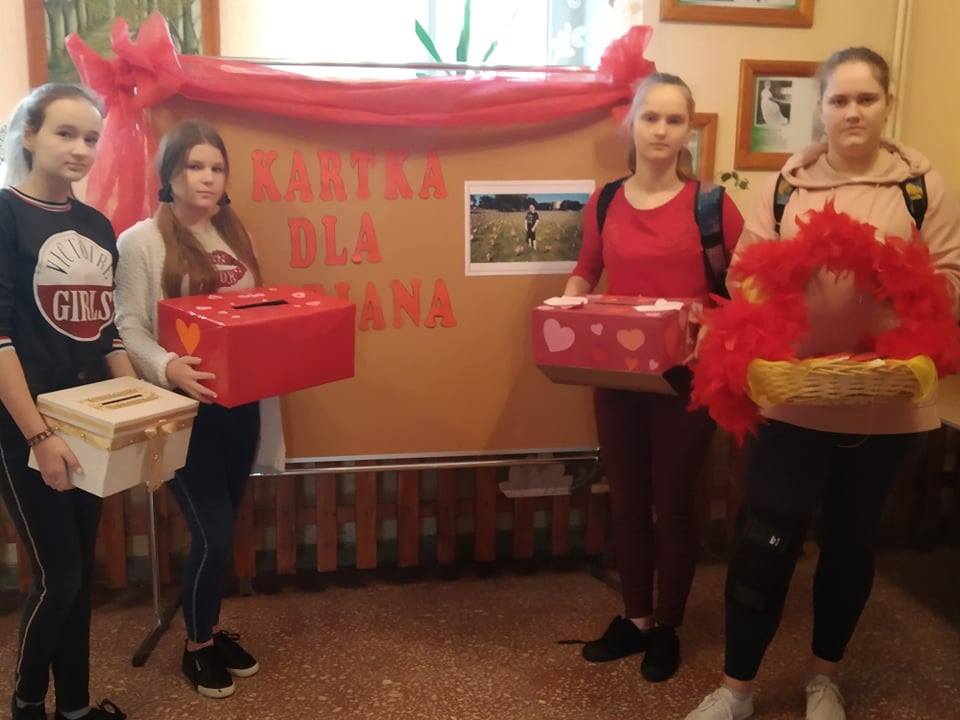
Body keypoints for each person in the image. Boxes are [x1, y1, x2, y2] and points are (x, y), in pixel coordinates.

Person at [685, 47, 960, 720]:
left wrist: (901, 289)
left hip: (886, 401)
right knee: (763, 545)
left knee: (851, 545)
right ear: (821, 109)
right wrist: (767, 298)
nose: (853, 112)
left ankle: (823, 679)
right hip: (793, 399)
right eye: (839, 100)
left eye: (866, 99)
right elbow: (744, 274)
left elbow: (952, 279)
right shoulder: (786, 185)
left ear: (887, 104)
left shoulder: (922, 187)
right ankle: (736, 690)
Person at [564, 73, 744, 682]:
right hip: (616, 377)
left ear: (689, 129)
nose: (661, 130)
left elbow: (742, 291)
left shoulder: (712, 205)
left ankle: (668, 626)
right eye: (650, 117)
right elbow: (586, 269)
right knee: (628, 501)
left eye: (674, 119)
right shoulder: (606, 201)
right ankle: (635, 617)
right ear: (632, 124)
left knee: (674, 502)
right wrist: (565, 308)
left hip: (684, 382)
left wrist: (712, 325)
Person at [114, 120, 283, 699]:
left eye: (216, 168)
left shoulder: (233, 230)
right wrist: (169, 368)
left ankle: (208, 627)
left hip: (240, 406)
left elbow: (254, 310)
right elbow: (128, 326)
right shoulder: (141, 241)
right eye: (194, 166)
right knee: (213, 534)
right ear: (169, 174)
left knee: (225, 528)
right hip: (182, 414)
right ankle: (196, 646)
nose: (207, 178)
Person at [0, 83, 134, 720]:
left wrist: (139, 411)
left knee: (80, 575)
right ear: (28, 135)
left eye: (91, 138)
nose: (81, 148)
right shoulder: (4, 215)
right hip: (27, 425)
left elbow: (106, 332)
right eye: (65, 133)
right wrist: (37, 436)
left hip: (90, 421)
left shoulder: (97, 226)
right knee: (60, 578)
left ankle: (74, 708)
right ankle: (27, 704)